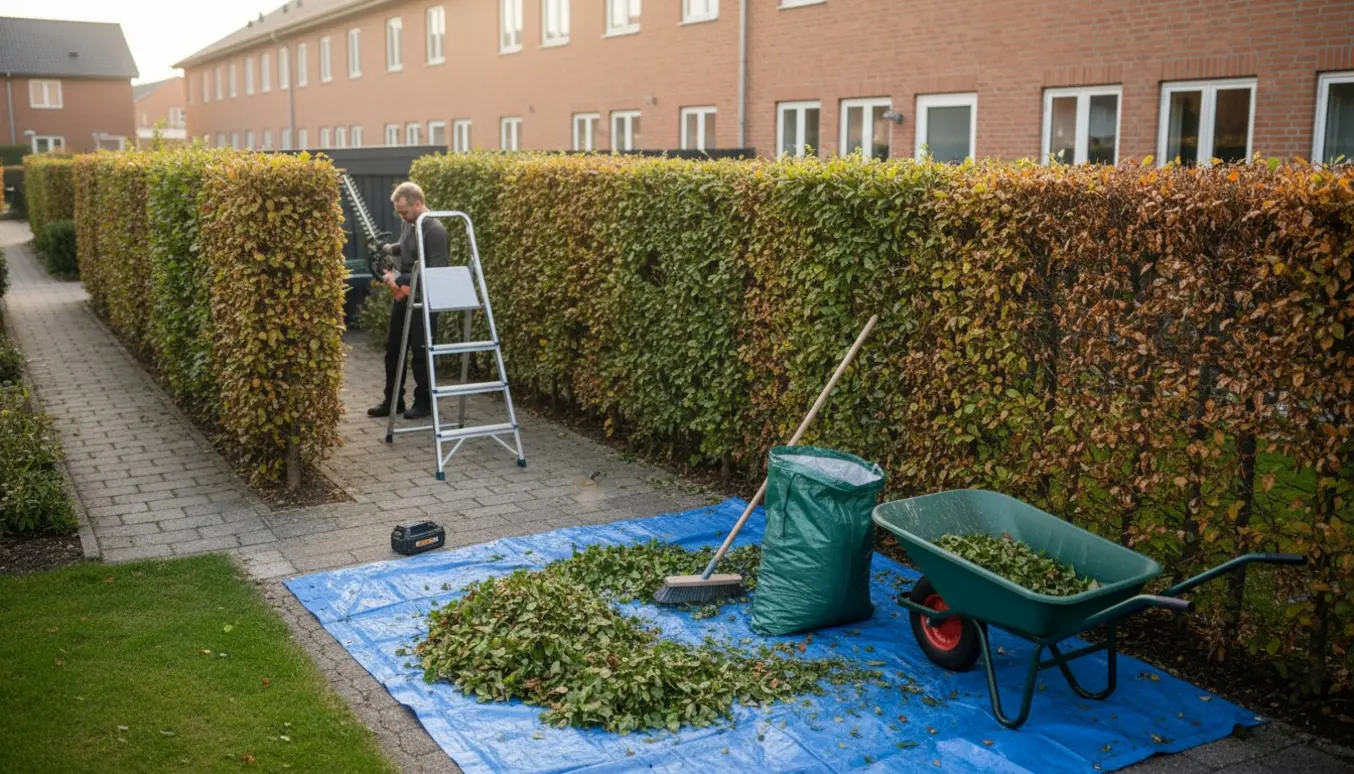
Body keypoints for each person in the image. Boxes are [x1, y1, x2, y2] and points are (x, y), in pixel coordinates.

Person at [368, 181, 449, 420]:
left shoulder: (434, 230)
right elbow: (407, 248)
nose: (401, 217)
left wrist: (400, 278)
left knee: (421, 352)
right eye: (399, 212)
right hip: (404, 296)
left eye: (404, 211)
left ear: (418, 204)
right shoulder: (409, 222)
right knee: (394, 348)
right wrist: (389, 249)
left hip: (424, 299)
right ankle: (393, 400)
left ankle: (424, 402)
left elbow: (437, 269)